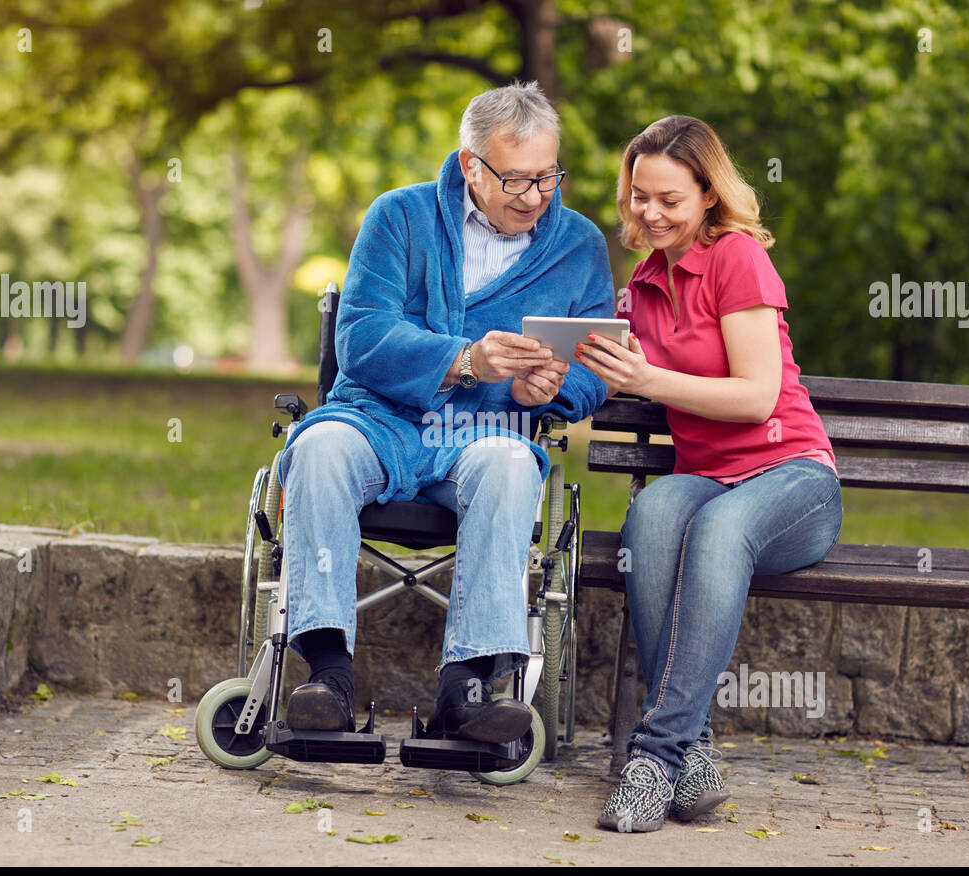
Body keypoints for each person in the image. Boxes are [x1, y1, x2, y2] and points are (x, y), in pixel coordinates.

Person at [274, 81, 613, 745]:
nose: (534, 196)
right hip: (377, 418)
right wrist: (464, 361)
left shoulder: (580, 245)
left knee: (514, 464)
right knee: (316, 451)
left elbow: (597, 363)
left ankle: (469, 687)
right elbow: (362, 337)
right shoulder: (398, 217)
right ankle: (326, 677)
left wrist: (552, 392)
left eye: (547, 176)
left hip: (489, 429)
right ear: (469, 165)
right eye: (514, 179)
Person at [576, 116, 843, 832]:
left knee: (719, 533)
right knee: (653, 516)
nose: (650, 212)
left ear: (708, 193)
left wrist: (650, 378)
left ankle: (654, 760)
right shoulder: (643, 280)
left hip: (793, 478)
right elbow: (631, 377)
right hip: (708, 477)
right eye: (639, 197)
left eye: (670, 199)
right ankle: (692, 751)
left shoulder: (737, 260)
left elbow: (757, 397)